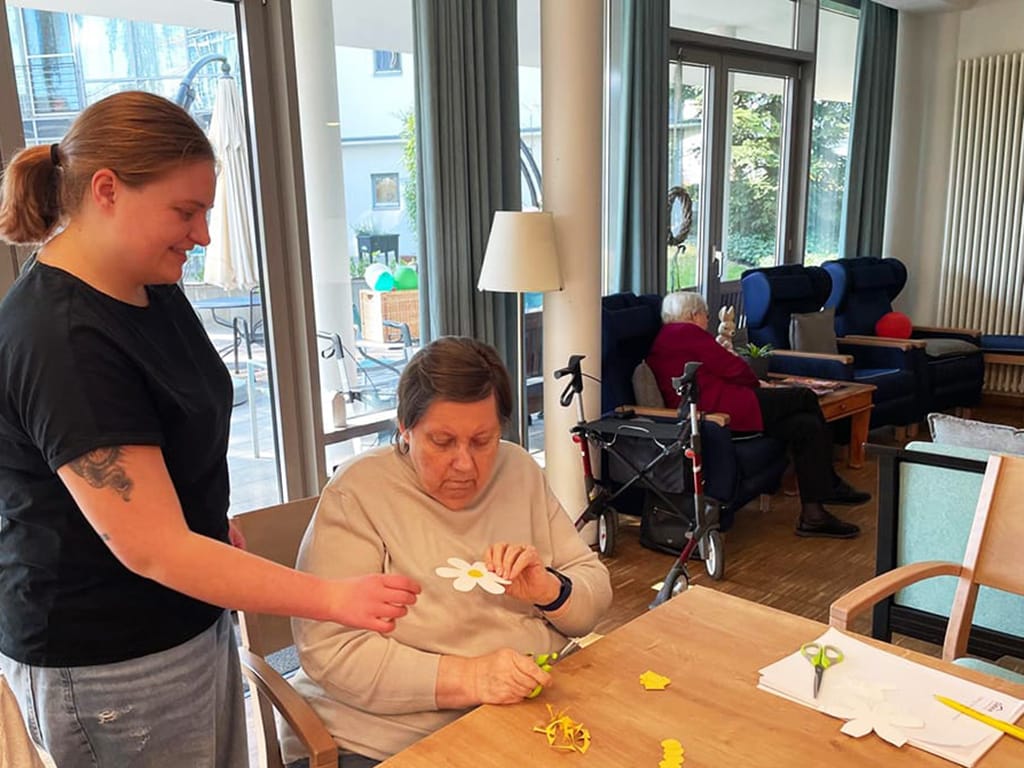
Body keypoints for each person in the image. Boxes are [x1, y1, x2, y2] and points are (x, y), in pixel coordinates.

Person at [0, 91, 420, 768]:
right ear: (106, 190)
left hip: (188, 616)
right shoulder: (64, 340)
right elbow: (154, 550)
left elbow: (170, 429)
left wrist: (202, 516)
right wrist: (333, 598)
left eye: (206, 213)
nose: (201, 235)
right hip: (110, 656)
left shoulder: (149, 285)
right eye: (185, 211)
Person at [284, 337, 613, 767]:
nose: (465, 464)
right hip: (385, 740)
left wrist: (549, 590)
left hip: (520, 717)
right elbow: (332, 651)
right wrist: (470, 677)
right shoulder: (359, 492)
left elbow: (592, 592)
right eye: (442, 441)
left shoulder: (518, 470)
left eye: (483, 440)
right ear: (405, 428)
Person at [646, 291, 868, 539]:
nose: (707, 320)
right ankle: (830, 484)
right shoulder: (686, 332)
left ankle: (814, 515)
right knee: (805, 396)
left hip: (716, 408)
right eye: (706, 315)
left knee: (806, 425)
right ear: (693, 314)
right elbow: (733, 367)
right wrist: (758, 383)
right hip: (723, 411)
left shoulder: (666, 337)